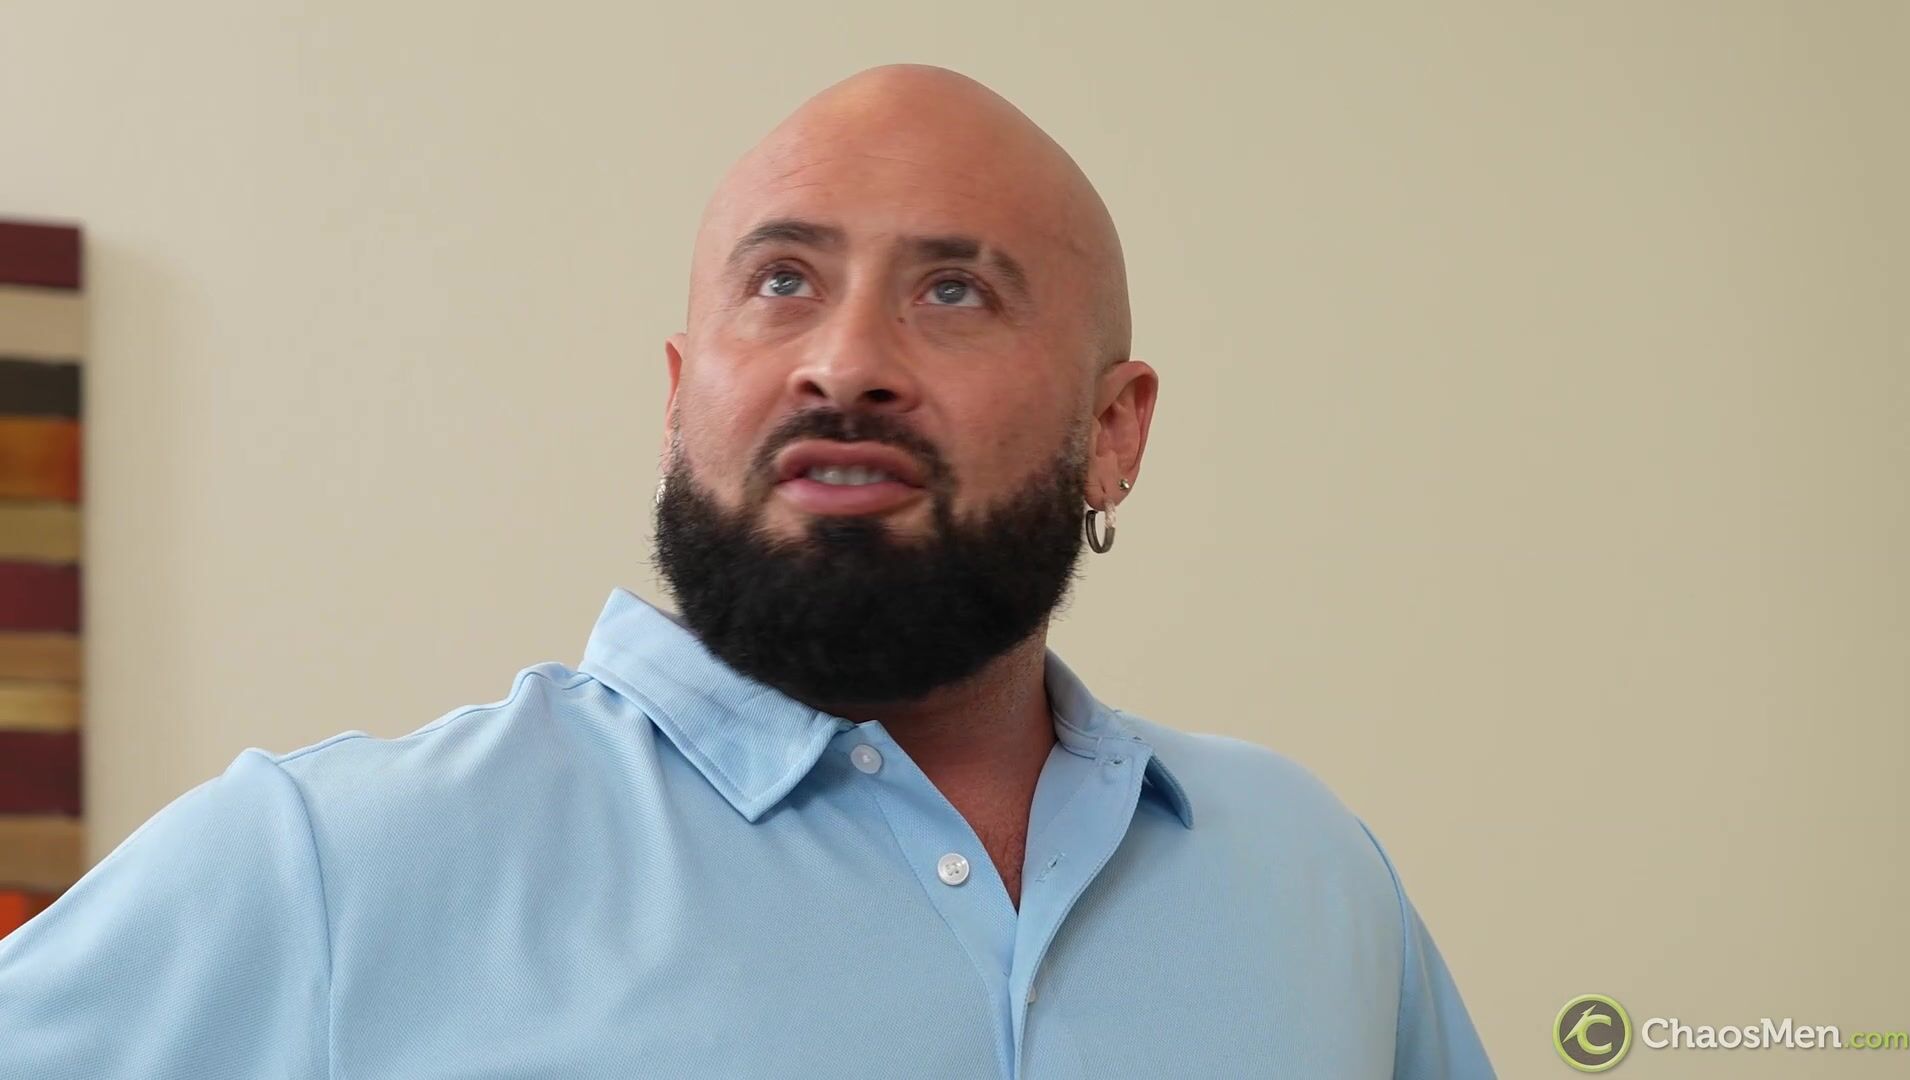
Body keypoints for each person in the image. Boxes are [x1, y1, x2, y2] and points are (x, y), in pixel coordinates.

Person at [0, 65, 1493, 1078]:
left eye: (954, 290)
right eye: (782, 281)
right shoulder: (324, 869)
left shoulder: (1311, 873)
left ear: (1114, 432)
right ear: (678, 399)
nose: (845, 361)